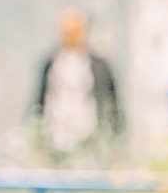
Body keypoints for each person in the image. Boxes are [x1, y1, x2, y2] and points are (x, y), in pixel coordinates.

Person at [32, 8, 120, 158]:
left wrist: (115, 139)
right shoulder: (51, 63)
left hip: (90, 133)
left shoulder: (99, 66)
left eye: (76, 31)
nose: (71, 36)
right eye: (67, 31)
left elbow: (112, 102)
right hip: (57, 133)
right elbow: (40, 100)